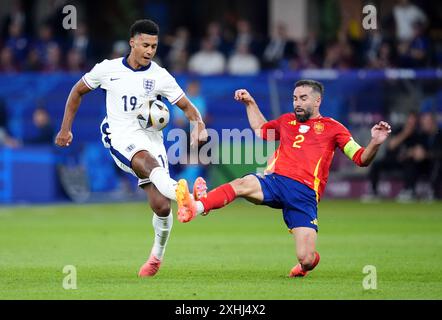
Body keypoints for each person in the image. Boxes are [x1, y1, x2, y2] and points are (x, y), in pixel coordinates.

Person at [175, 80, 391, 278]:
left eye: (303, 98)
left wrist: (376, 142)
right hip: (276, 182)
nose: (297, 103)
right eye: (295, 98)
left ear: (318, 101)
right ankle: (197, 206)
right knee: (243, 183)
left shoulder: (334, 128)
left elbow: (361, 158)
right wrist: (250, 103)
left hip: (304, 195)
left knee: (305, 258)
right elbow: (261, 130)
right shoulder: (287, 121)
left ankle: (307, 264)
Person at [55, 19, 208, 277]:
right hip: (120, 135)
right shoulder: (107, 69)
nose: (150, 50)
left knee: (160, 206)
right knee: (145, 161)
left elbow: (186, 106)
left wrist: (198, 123)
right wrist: (65, 128)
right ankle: (187, 198)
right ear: (132, 42)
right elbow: (77, 91)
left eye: (154, 46)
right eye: (145, 45)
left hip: (151, 138)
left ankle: (156, 258)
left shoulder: (159, 75)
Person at [365, 112, 419, 200]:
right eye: (410, 122)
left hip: (405, 161)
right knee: (376, 164)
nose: (411, 124)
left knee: (411, 164)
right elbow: (391, 145)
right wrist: (405, 133)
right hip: (393, 160)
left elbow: (417, 151)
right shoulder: (399, 130)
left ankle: (408, 191)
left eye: (413, 122)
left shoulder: (417, 134)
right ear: (406, 121)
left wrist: (408, 153)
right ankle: (373, 191)